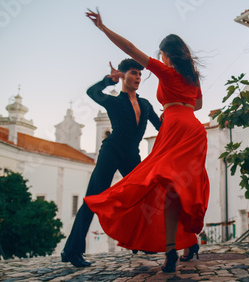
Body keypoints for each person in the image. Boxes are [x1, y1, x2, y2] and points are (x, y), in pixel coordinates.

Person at [84, 8, 210, 273]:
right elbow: (197, 105)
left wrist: (103, 28)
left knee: (160, 185)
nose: (160, 57)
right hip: (194, 130)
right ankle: (189, 243)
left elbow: (129, 47)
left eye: (162, 53)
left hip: (174, 127)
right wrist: (180, 104)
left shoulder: (167, 72)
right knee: (186, 187)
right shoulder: (192, 76)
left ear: (166, 54)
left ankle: (171, 251)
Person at [61, 58, 162, 267]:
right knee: (92, 199)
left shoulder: (145, 104)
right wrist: (109, 80)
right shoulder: (114, 102)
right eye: (133, 73)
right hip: (111, 151)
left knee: (145, 195)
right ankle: (72, 251)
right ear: (124, 75)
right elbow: (92, 93)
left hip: (132, 156)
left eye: (140, 74)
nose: (138, 77)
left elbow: (160, 126)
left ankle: (140, 241)